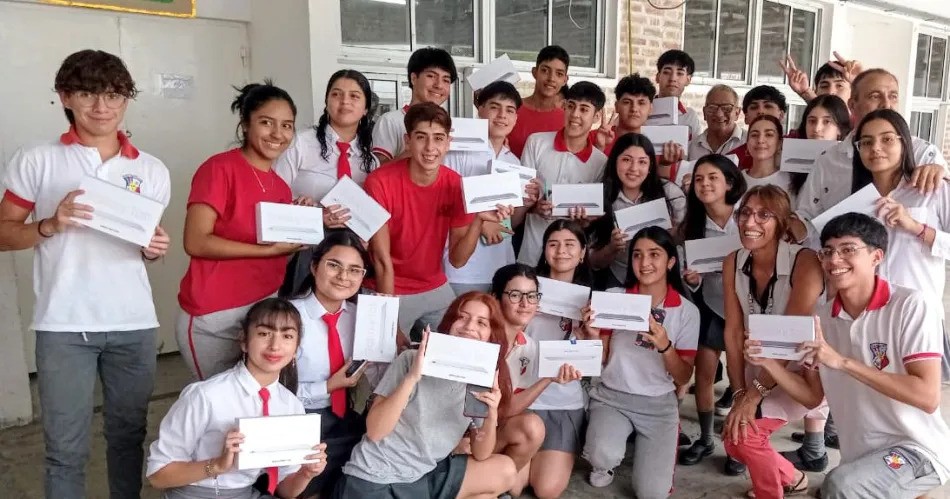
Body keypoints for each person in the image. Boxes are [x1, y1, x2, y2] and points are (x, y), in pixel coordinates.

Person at [0, 49, 171, 499]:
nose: (101, 106)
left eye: (113, 95)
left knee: (128, 439)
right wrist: (49, 225)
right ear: (65, 97)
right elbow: (3, 233)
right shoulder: (37, 159)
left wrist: (153, 250)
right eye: (87, 93)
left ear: (126, 99)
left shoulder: (150, 170)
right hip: (64, 325)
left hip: (133, 324)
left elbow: (142, 245)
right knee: (65, 450)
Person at [744, 213, 950, 499]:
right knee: (846, 483)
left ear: (877, 257)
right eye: (828, 251)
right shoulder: (822, 318)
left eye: (848, 250)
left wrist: (842, 362)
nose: (835, 260)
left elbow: (927, 397)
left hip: (917, 451)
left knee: (841, 486)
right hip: (860, 457)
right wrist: (768, 362)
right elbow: (811, 397)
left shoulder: (911, 306)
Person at [332, 292, 519, 498]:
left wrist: (491, 415)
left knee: (505, 469)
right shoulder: (411, 359)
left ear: (492, 334)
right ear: (450, 323)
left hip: (423, 475)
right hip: (376, 474)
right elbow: (375, 432)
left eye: (481, 322)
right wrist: (412, 377)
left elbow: (481, 452)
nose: (469, 326)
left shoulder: (482, 378)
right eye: (462, 317)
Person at [177, 82, 305, 380]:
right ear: (246, 124)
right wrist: (267, 251)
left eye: (287, 125)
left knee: (254, 397)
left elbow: (280, 251)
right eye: (266, 122)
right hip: (214, 315)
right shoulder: (219, 169)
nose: (277, 133)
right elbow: (196, 241)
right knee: (219, 399)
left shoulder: (281, 187)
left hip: (262, 312)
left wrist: (303, 223)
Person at [147, 298, 328, 498]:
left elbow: (286, 491)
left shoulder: (291, 405)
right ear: (244, 341)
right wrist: (217, 464)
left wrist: (306, 473)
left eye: (287, 336)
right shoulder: (206, 396)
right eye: (264, 333)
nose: (275, 346)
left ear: (296, 349)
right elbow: (158, 476)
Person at [364, 102, 513, 343]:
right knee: (383, 354)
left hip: (433, 284)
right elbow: (381, 261)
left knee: (464, 343)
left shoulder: (455, 184)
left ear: (448, 142)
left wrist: (478, 221)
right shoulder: (379, 182)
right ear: (407, 141)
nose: (430, 147)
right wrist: (388, 323)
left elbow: (457, 259)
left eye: (438, 138)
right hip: (387, 286)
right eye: (421, 137)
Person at [719, 186, 826, 497]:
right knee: (735, 438)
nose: (750, 222)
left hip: (799, 375)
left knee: (743, 437)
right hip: (758, 370)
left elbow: (791, 337)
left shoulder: (805, 261)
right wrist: (739, 392)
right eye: (745, 213)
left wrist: (753, 397)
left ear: (783, 223)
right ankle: (793, 477)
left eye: (763, 215)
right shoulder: (733, 261)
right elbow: (733, 332)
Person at [583, 227, 699, 498]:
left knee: (651, 494)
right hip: (611, 396)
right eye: (637, 255)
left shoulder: (686, 311)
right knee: (601, 454)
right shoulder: (614, 297)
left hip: (658, 404)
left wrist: (665, 346)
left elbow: (683, 377)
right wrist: (593, 335)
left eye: (654, 254)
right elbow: (603, 358)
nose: (644, 262)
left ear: (671, 261)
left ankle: (649, 452)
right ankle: (606, 461)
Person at [789, 68, 948, 246]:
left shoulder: (925, 155)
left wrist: (917, 227)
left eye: (893, 96)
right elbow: (808, 217)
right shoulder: (828, 160)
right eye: (875, 96)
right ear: (852, 104)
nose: (886, 104)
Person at [852, 109, 950, 381]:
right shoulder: (855, 201)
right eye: (867, 142)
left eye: (887, 139)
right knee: (871, 389)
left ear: (905, 143)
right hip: (869, 315)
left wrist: (916, 227)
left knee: (917, 394)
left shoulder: (933, 189)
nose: (876, 148)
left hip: (919, 315)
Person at [274, 69, 378, 296]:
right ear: (327, 101)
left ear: (366, 108)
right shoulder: (300, 144)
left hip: (349, 255)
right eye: (336, 94)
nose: (345, 101)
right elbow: (273, 201)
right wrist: (316, 217)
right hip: (305, 250)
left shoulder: (371, 160)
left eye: (354, 96)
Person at [287, 232, 374, 496]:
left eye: (354, 270)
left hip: (343, 416)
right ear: (314, 267)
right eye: (334, 265)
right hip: (296, 417)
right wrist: (327, 387)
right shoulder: (288, 316)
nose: (343, 276)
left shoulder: (362, 317)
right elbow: (270, 390)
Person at [676, 154, 747, 476]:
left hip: (744, 307)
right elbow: (689, 272)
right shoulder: (692, 225)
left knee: (741, 377)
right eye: (699, 179)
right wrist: (693, 278)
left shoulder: (746, 216)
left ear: (729, 182)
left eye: (713, 178)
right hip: (710, 304)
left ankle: (739, 445)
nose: (705, 184)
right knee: (703, 375)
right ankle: (705, 438)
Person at [522, 220, 600, 499]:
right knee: (513, 486)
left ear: (582, 253)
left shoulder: (592, 303)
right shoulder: (525, 290)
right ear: (544, 251)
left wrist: (587, 336)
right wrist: (523, 316)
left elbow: (593, 364)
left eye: (570, 245)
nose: (561, 251)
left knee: (546, 489)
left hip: (563, 401)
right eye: (553, 244)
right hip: (523, 396)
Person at [442, 81, 539, 295]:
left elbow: (510, 223)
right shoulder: (458, 152)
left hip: (501, 266)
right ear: (480, 110)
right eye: (495, 107)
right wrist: (481, 222)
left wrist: (526, 204)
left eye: (510, 110)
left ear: (516, 118)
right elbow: (442, 202)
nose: (502, 115)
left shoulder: (513, 162)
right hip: (463, 270)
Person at [489, 263, 573, 497]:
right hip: (464, 433)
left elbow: (509, 409)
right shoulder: (482, 336)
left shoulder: (529, 346)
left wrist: (548, 378)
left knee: (531, 428)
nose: (525, 303)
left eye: (532, 295)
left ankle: (494, 486)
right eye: (515, 295)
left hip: (493, 428)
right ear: (495, 298)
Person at [517, 81, 608, 266]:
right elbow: (520, 197)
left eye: (584, 109)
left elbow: (592, 219)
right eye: (571, 106)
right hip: (531, 255)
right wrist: (535, 207)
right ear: (564, 107)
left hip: (569, 263)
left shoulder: (601, 162)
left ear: (597, 116)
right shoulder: (536, 143)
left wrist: (585, 220)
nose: (575, 114)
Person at [588, 133, 687, 288]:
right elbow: (593, 262)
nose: (634, 168)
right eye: (626, 160)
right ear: (615, 162)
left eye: (642, 162)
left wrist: (674, 234)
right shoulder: (600, 198)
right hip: (619, 278)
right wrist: (612, 248)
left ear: (650, 166)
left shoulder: (670, 193)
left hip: (664, 278)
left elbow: (686, 242)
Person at [371, 47, 458, 164]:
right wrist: (416, 149)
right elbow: (378, 169)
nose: (439, 85)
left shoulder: (451, 125)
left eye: (446, 80)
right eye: (431, 76)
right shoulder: (390, 121)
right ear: (414, 78)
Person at [591, 74, 685, 176]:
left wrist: (664, 165)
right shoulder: (594, 138)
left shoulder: (663, 146)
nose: (634, 109)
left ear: (651, 109)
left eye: (641, 103)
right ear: (616, 106)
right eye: (627, 102)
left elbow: (663, 185)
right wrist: (599, 148)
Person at [506, 45, 570, 158]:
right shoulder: (511, 109)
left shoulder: (567, 120)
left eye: (559, 74)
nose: (551, 79)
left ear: (565, 80)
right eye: (545, 70)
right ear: (535, 72)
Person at [788, 94, 851, 199]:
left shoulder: (851, 163)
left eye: (826, 122)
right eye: (812, 121)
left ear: (840, 129)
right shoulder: (789, 163)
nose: (817, 128)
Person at [727, 85, 788, 170]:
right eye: (754, 107)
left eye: (768, 106)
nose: (761, 111)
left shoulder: (794, 149)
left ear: (781, 115)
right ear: (746, 117)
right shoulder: (732, 159)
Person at [742, 115, 794, 203]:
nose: (760, 140)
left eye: (769, 135)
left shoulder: (791, 182)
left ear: (779, 143)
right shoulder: (736, 179)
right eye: (754, 135)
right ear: (747, 143)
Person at [655, 49, 704, 139]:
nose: (673, 78)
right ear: (657, 77)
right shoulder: (643, 110)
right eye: (666, 72)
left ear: (688, 80)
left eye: (680, 73)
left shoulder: (690, 117)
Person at [688, 84, 745, 161]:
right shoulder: (692, 147)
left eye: (727, 108)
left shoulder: (748, 143)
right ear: (704, 112)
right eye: (712, 107)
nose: (719, 114)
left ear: (737, 113)